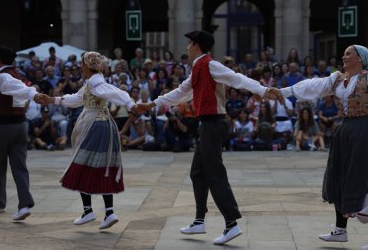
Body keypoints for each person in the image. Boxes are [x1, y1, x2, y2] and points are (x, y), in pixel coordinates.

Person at [138, 30, 279, 245]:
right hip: (207, 123)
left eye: (189, 44)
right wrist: (152, 103)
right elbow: (182, 92)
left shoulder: (211, 64)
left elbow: (236, 78)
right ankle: (199, 221)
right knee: (197, 172)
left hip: (215, 122)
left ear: (196, 46)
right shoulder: (196, 67)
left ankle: (231, 223)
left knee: (214, 173)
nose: (186, 48)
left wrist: (262, 89)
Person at [275, 45, 368, 250]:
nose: (343, 56)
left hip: (364, 129)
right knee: (338, 176)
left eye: (348, 53)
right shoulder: (336, 79)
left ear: (360, 58)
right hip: (343, 129)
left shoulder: (367, 78)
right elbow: (312, 86)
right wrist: (284, 91)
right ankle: (340, 230)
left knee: (361, 175)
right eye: (343, 53)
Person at [48, 52, 139, 230]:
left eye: (82, 64)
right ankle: (107, 212)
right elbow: (77, 99)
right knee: (102, 167)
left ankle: (90, 211)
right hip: (101, 124)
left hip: (95, 125)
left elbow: (114, 92)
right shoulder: (91, 81)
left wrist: (130, 104)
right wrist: (54, 99)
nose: (80, 68)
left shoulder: (96, 81)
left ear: (88, 66)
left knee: (82, 164)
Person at [0, 46, 48, 220]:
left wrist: (34, 95)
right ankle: (24, 205)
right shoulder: (16, 75)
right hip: (20, 126)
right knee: (19, 166)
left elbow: (22, 91)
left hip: (4, 127)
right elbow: (2, 96)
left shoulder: (3, 76)